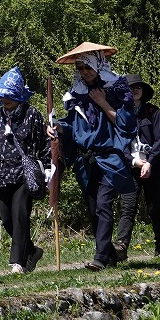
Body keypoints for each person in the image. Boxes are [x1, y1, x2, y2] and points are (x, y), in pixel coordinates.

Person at [49, 42, 137, 271]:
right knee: (93, 208)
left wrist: (102, 102)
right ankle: (109, 254)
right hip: (85, 161)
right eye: (80, 68)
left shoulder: (117, 89)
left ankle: (99, 257)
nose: (85, 72)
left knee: (103, 204)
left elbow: (126, 125)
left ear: (98, 64)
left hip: (109, 156)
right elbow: (73, 124)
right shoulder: (78, 92)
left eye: (88, 67)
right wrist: (57, 127)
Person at [0, 67, 47, 274]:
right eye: (2, 96)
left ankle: (17, 263)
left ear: (18, 96)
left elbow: (44, 143)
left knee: (20, 216)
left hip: (25, 174)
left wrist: (48, 168)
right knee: (7, 220)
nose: (4, 100)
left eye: (9, 96)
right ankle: (32, 251)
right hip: (2, 175)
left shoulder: (32, 115)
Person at [126, 74, 160, 258]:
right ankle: (122, 249)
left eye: (138, 87)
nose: (135, 90)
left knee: (154, 207)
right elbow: (119, 142)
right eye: (131, 87)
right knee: (128, 207)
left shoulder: (153, 111)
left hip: (154, 166)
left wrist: (149, 162)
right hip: (132, 165)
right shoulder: (122, 112)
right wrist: (133, 161)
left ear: (143, 91)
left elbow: (159, 140)